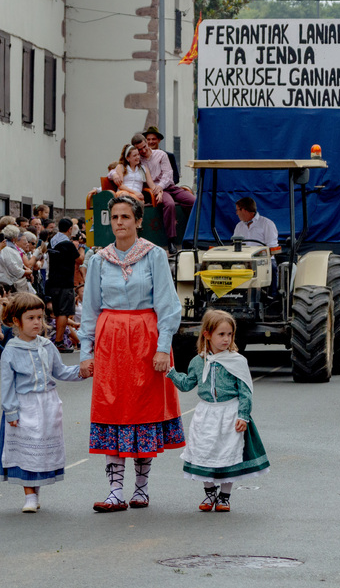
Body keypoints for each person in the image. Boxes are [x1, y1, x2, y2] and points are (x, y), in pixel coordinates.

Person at [79, 195, 184, 513]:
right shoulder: (99, 260)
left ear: (138, 221)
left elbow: (168, 304)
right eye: (115, 217)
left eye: (125, 217)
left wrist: (163, 347)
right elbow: (90, 310)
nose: (119, 222)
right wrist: (86, 352)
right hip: (110, 342)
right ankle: (114, 491)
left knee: (142, 412)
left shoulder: (154, 256)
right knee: (111, 410)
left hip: (144, 340)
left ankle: (141, 488)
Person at [167, 310, 269, 512]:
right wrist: (171, 373)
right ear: (207, 334)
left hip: (229, 412)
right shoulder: (198, 362)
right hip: (206, 414)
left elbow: (245, 391)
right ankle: (209, 492)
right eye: (221, 334)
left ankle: (224, 496)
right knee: (204, 450)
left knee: (228, 452)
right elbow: (187, 385)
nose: (226, 339)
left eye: (229, 334)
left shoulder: (237, 361)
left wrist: (243, 416)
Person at [0, 293, 86, 512]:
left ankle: (35, 493)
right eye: (31, 318)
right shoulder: (11, 350)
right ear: (17, 321)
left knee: (41, 451)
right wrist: (11, 412)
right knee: (26, 450)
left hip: (47, 404)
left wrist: (83, 372)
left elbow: (60, 371)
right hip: (24, 405)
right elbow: (7, 385)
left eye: (39, 317)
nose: (37, 322)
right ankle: (29, 495)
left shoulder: (47, 345)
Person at [112, 132, 195, 247]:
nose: (143, 151)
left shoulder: (160, 154)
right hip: (154, 190)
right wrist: (114, 174)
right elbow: (120, 166)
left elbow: (168, 174)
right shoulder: (138, 160)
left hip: (167, 186)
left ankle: (193, 233)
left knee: (192, 201)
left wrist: (160, 187)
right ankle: (171, 240)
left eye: (144, 147)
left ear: (146, 143)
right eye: (139, 150)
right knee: (169, 204)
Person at [46, 218, 80, 352]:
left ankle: (58, 340)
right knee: (63, 312)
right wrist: (81, 248)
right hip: (65, 282)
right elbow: (79, 259)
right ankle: (59, 341)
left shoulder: (52, 241)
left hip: (52, 281)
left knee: (57, 311)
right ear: (70, 229)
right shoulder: (68, 244)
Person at [0, 225, 31, 294]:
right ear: (14, 238)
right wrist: (27, 272)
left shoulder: (12, 247)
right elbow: (13, 268)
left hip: (9, 281)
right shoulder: (6, 249)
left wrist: (24, 268)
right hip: (7, 283)